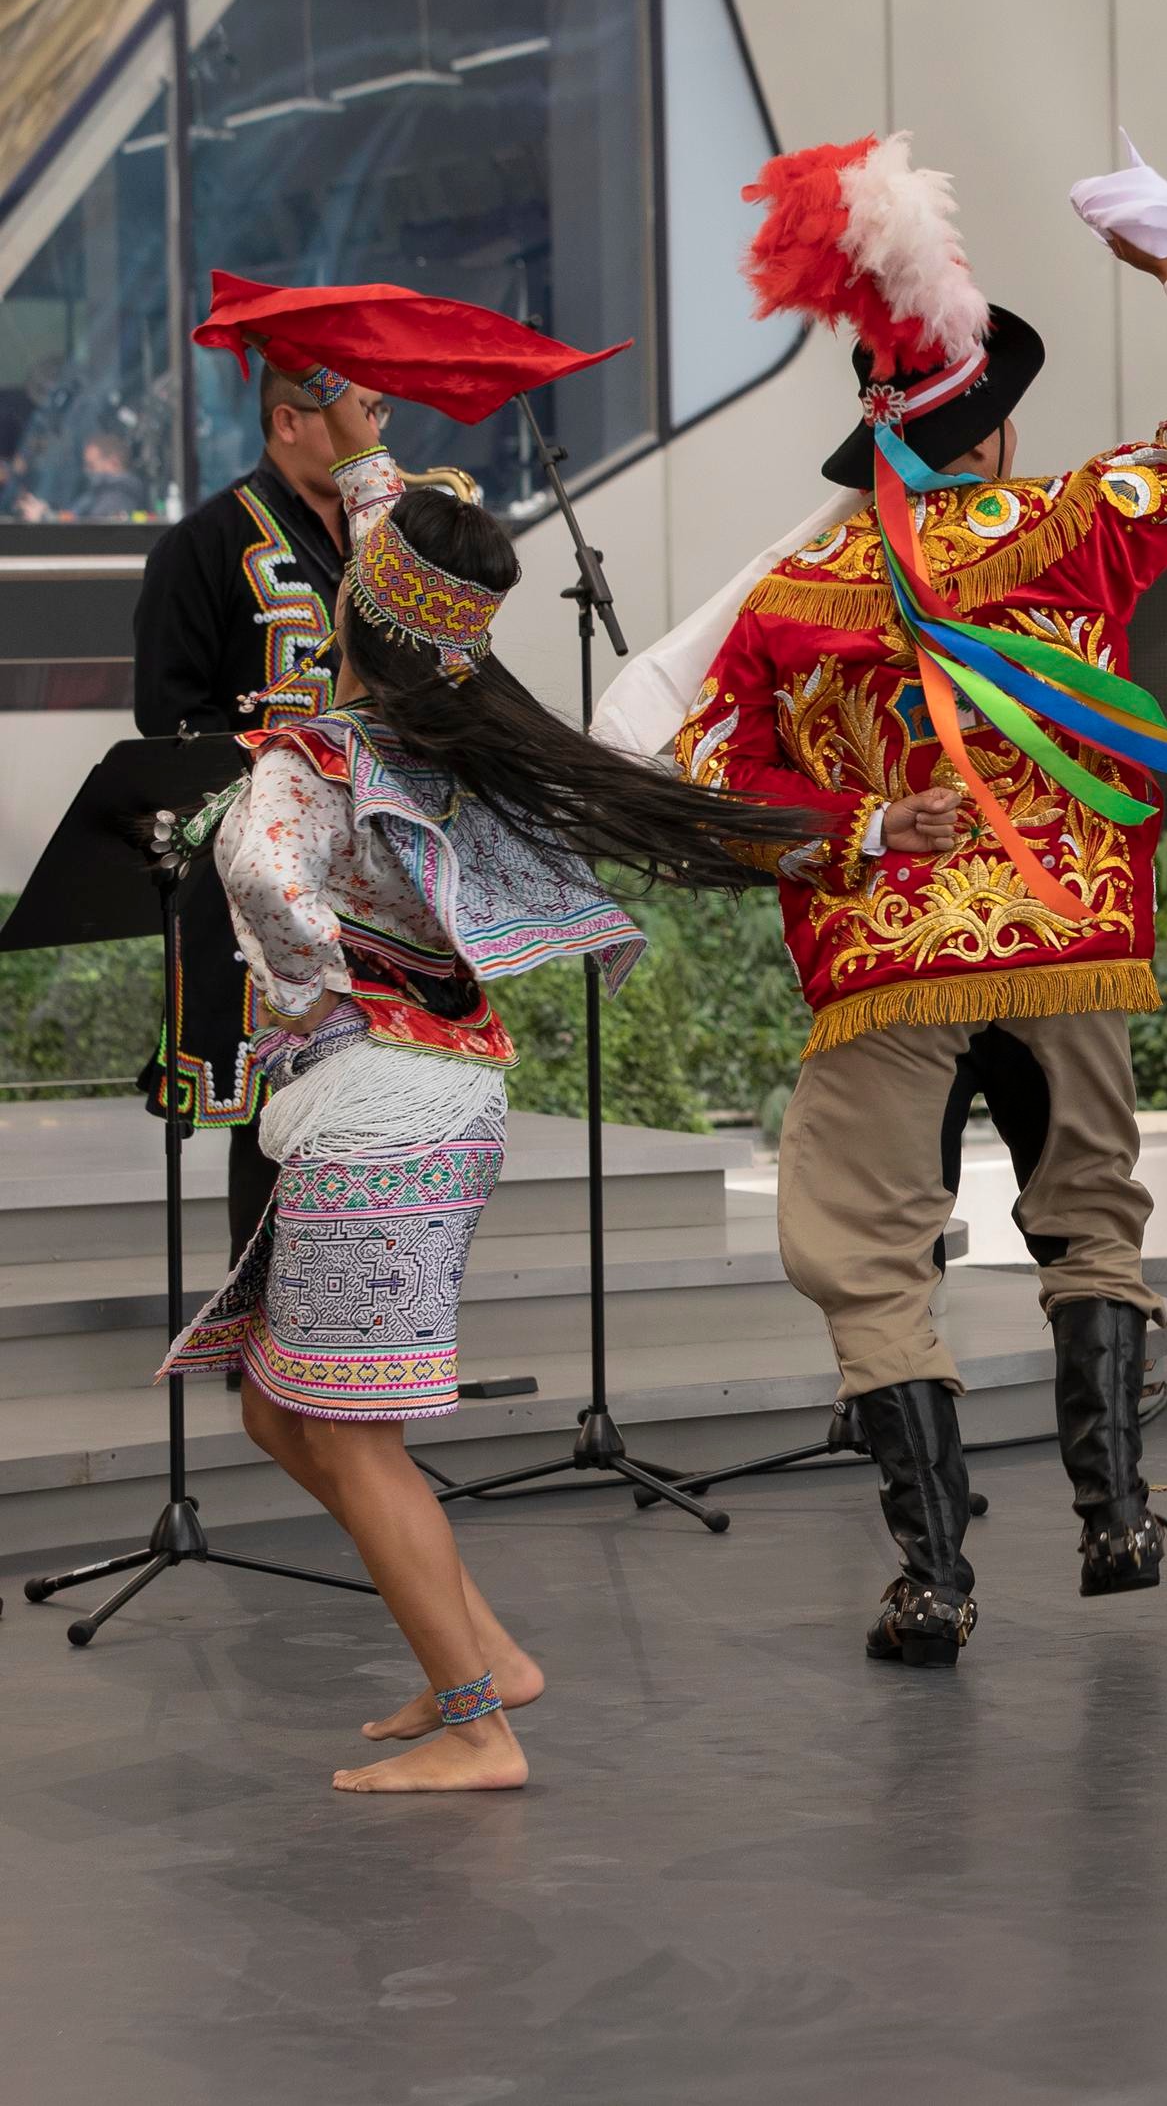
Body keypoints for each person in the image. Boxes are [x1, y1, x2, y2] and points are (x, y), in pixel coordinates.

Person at [157, 363, 814, 1789]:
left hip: (375, 1097)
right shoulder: (454, 727)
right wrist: (362, 440)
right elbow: (395, 557)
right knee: (283, 1408)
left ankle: (476, 1723)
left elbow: (269, 896)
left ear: (346, 612)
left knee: (346, 1430)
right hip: (429, 1096)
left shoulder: (323, 759)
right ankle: (489, 1654)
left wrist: (302, 929)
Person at [673, 135, 1167, 1666]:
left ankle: (937, 1577)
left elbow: (711, 789)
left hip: (891, 962)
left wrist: (869, 820)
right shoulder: (1072, 525)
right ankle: (1118, 1516)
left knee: (865, 1252)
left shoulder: (796, 601)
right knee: (1092, 1215)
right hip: (1068, 937)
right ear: (993, 437)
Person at [132, 359, 392, 1252]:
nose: (376, 427)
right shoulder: (200, 545)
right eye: (360, 409)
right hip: (261, 875)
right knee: (275, 1109)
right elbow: (168, 720)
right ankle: (270, 1347)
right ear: (289, 422)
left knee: (374, 1099)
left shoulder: (382, 542)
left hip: (378, 869)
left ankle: (360, 1320)